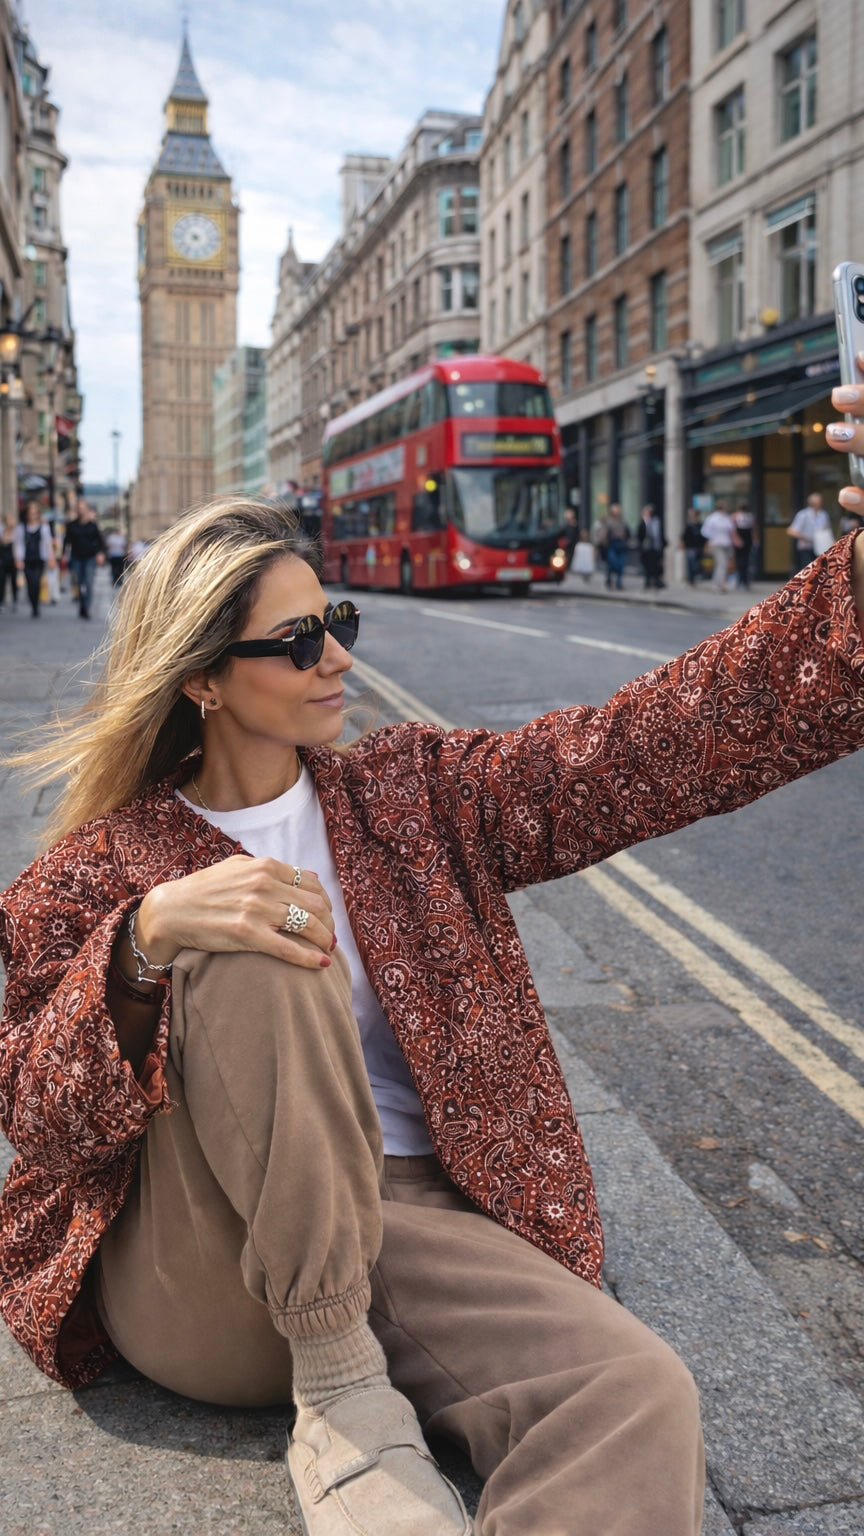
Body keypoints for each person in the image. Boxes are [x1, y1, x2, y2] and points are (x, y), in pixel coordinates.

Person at [2, 408, 864, 1535]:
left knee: (636, 1395)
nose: (341, 658)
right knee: (261, 934)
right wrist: (143, 939)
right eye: (300, 641)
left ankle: (358, 1361)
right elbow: (36, 1117)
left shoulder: (411, 796)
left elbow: (653, 747)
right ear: (202, 681)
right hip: (204, 1260)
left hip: (411, 1220)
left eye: (337, 622)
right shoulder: (100, 865)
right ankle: (342, 1387)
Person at [12, 499, 55, 618]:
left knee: (36, 582)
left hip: (39, 559)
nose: (33, 515)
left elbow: (48, 543)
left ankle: (36, 605)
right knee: (30, 583)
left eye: (35, 513)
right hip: (27, 559)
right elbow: (18, 544)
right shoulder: (21, 528)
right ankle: (33, 603)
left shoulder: (44, 527)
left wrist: (51, 557)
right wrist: (18, 559)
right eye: (31, 513)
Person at [63, 499, 106, 618]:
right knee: (79, 582)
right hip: (76, 557)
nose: (81, 510)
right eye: (79, 508)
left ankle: (86, 607)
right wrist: (63, 555)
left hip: (89, 558)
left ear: (86, 509)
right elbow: (66, 541)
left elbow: (100, 541)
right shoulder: (72, 525)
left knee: (88, 582)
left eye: (83, 508)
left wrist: (101, 553)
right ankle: (82, 604)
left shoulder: (92, 526)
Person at [786, 492, 832, 573]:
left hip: (820, 547)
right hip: (806, 547)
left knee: (820, 570)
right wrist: (805, 537)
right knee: (808, 571)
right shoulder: (803, 515)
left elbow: (827, 530)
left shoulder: (824, 515)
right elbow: (791, 530)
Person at [700, 502, 735, 592]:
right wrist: (714, 538)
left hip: (724, 544)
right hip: (718, 544)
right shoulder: (714, 518)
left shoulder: (723, 518)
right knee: (722, 564)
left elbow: (731, 530)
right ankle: (717, 585)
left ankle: (720, 584)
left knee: (722, 565)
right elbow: (705, 531)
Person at [636, 503, 666, 589]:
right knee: (647, 566)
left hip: (655, 547)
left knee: (656, 565)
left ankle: (656, 581)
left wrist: (663, 543)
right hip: (646, 548)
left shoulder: (656, 522)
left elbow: (660, 534)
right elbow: (639, 536)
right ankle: (648, 582)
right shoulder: (642, 523)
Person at [731, 503, 755, 591]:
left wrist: (736, 539)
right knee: (745, 560)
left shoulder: (735, 516)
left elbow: (732, 529)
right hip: (747, 537)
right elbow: (753, 529)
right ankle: (744, 581)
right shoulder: (750, 516)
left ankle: (741, 580)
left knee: (740, 560)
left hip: (740, 536)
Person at [605, 503, 629, 590]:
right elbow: (606, 534)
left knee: (620, 564)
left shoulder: (623, 521)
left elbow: (627, 532)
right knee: (613, 563)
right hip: (612, 544)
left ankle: (619, 582)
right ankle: (609, 577)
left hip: (621, 544)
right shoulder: (609, 522)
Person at [681, 508, 706, 586]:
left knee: (697, 563)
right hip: (690, 547)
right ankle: (691, 580)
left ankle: (694, 578)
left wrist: (705, 545)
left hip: (698, 547)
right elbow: (684, 536)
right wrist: (682, 544)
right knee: (691, 564)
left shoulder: (700, 525)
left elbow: (703, 536)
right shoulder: (689, 525)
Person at [0, 515, 17, 609]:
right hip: (3, 561)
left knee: (14, 581)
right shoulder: (2, 532)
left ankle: (15, 600)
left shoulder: (16, 533)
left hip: (13, 561)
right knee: (2, 581)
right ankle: (1, 601)